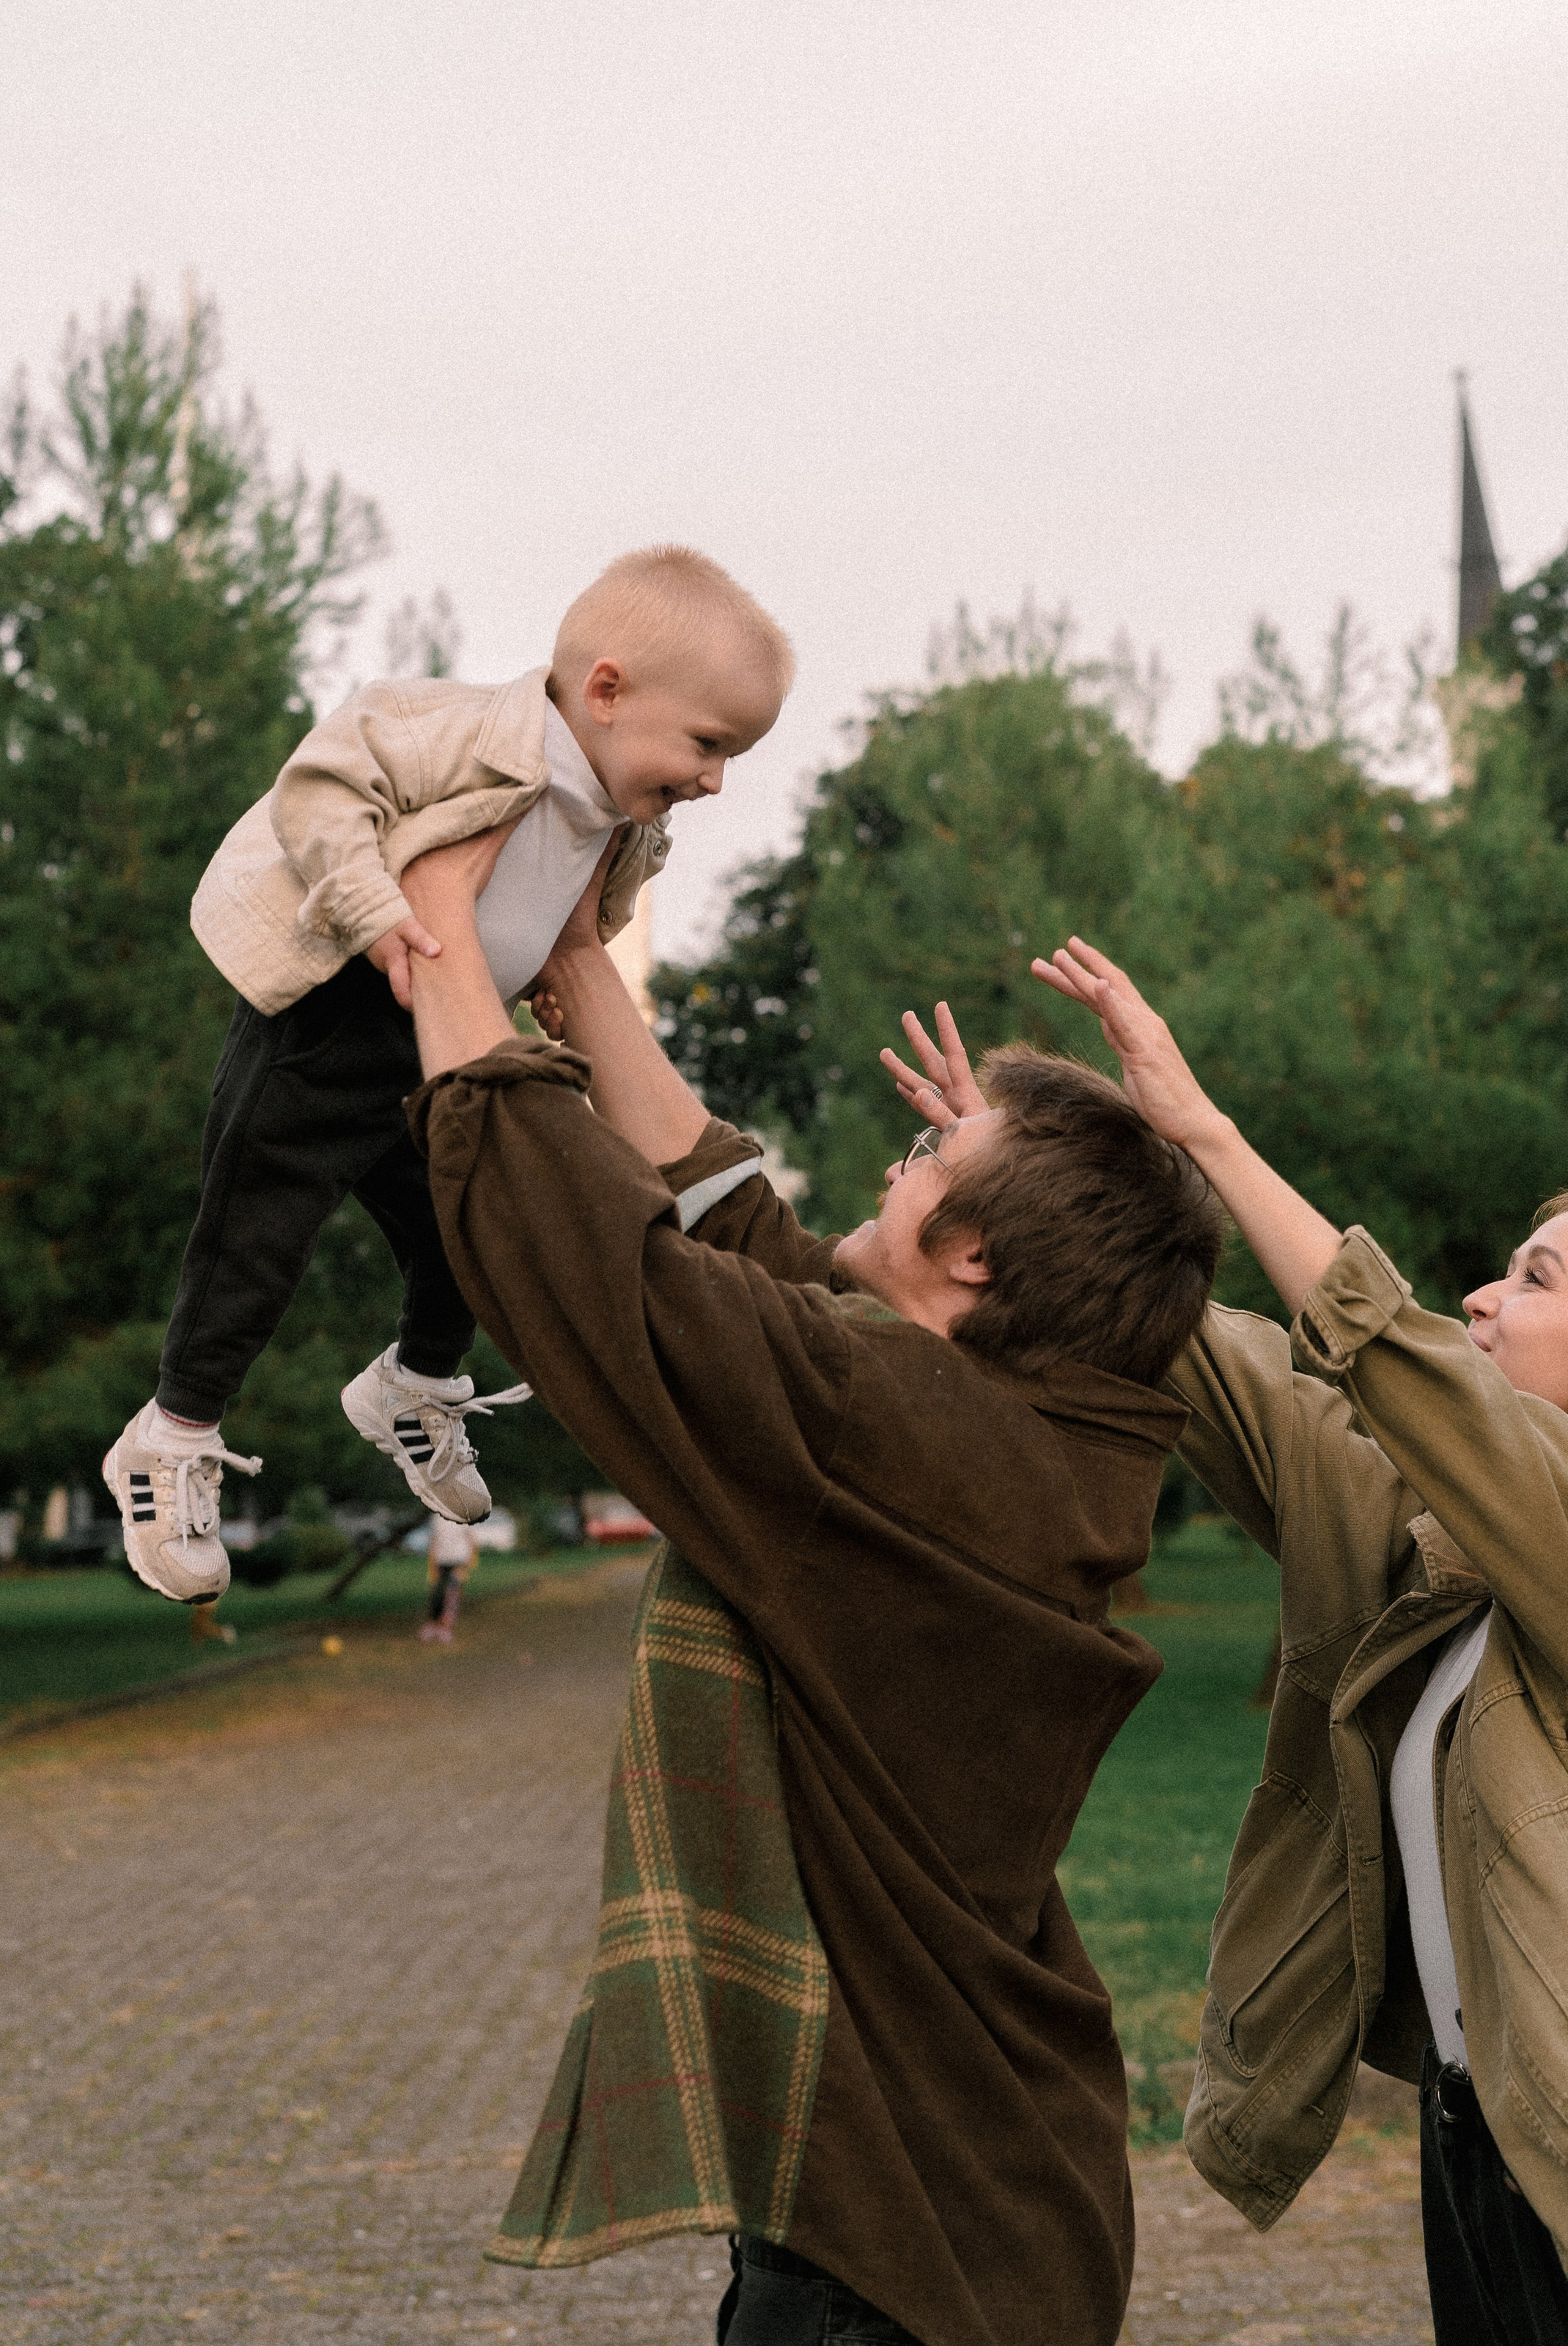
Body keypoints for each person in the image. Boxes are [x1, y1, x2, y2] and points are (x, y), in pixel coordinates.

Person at [390, 831, 1223, 2346]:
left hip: (893, 2262)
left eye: (922, 1168)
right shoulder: (1048, 1440)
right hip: (999, 2215)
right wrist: (577, 963)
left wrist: (442, 931)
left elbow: (615, 1278)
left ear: (965, 1259)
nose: (891, 1165)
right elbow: (760, 1257)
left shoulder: (885, 1426)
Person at [1018, 936, 1568, 2346]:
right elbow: (1218, 1357)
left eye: (1533, 1280)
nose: (1481, 1297)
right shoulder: (1448, 1553)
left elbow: (1403, 1370)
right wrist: (1043, 1172)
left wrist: (1210, 1130)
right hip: (1484, 2166)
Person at [102, 546, 790, 1607]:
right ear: (606, 691)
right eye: (708, 745)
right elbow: (323, 786)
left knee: (477, 1227)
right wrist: (373, 908)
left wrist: (563, 975)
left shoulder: (619, 810)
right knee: (259, 1226)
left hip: (439, 1042)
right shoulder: (462, 729)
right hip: (334, 1011)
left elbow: (555, 916)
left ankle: (412, 1386)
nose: (714, 780)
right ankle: (173, 1431)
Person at [419, 1514, 478, 1644]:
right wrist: (433, 1564)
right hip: (441, 1560)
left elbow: (471, 1539)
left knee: (452, 1595)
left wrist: (469, 1563)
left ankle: (446, 1628)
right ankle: (433, 1625)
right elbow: (434, 1539)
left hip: (459, 1560)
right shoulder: (436, 1517)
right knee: (437, 1593)